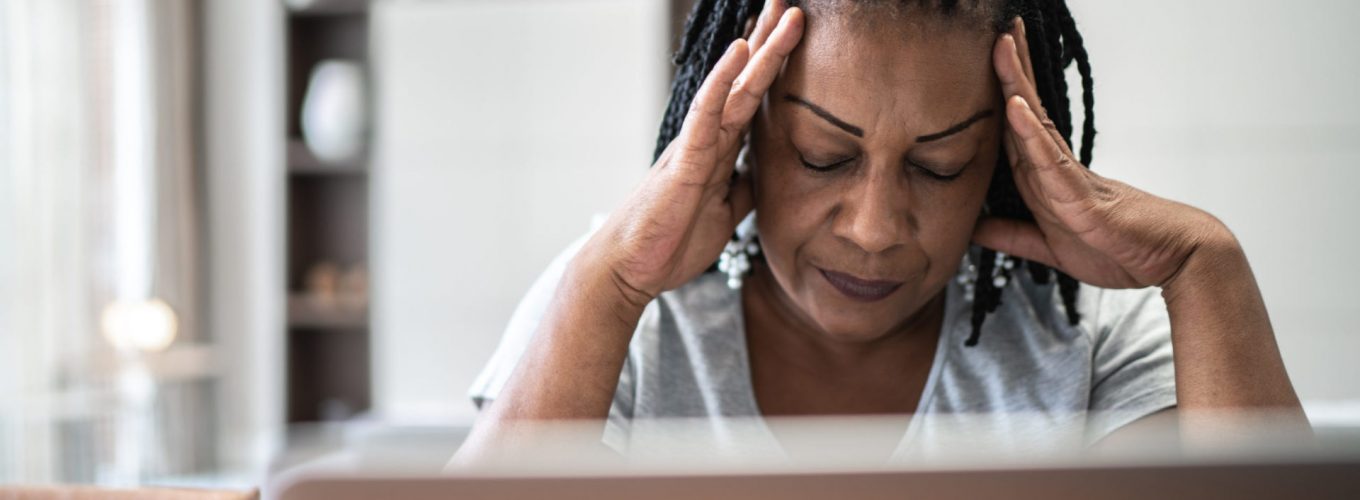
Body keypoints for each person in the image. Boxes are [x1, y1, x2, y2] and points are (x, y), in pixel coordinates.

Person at [453, 0, 1307, 463]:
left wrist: (1205, 268)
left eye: (940, 167)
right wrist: (609, 290)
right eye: (824, 155)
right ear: (747, 131)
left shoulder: (1088, 332)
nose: (873, 230)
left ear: (1005, 160)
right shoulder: (617, 303)